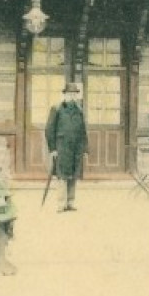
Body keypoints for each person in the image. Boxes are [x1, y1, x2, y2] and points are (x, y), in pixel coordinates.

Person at [45, 81, 87, 212]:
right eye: (70, 94)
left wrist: (85, 148)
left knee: (73, 175)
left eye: (75, 94)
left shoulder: (79, 110)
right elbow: (49, 129)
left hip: (76, 148)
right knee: (62, 176)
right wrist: (52, 149)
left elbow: (83, 130)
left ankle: (70, 202)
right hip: (62, 148)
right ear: (65, 95)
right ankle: (61, 203)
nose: (72, 96)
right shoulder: (57, 109)